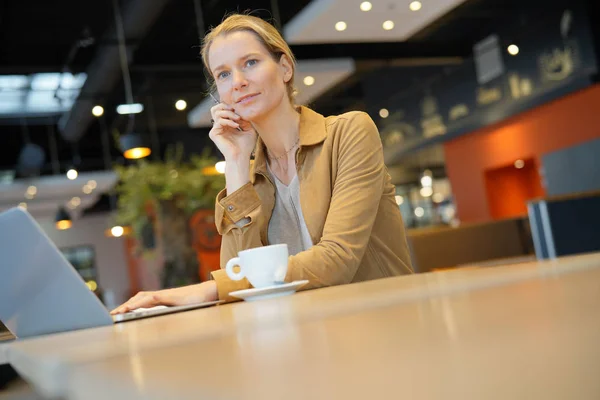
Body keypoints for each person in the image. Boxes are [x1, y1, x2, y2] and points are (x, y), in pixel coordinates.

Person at [111, 13, 413, 314]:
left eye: (250, 63)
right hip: (309, 334)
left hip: (382, 323)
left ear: (284, 67)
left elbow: (338, 259)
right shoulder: (249, 177)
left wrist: (206, 289)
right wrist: (236, 161)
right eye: (223, 74)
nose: (238, 82)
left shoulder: (348, 133)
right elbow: (238, 270)